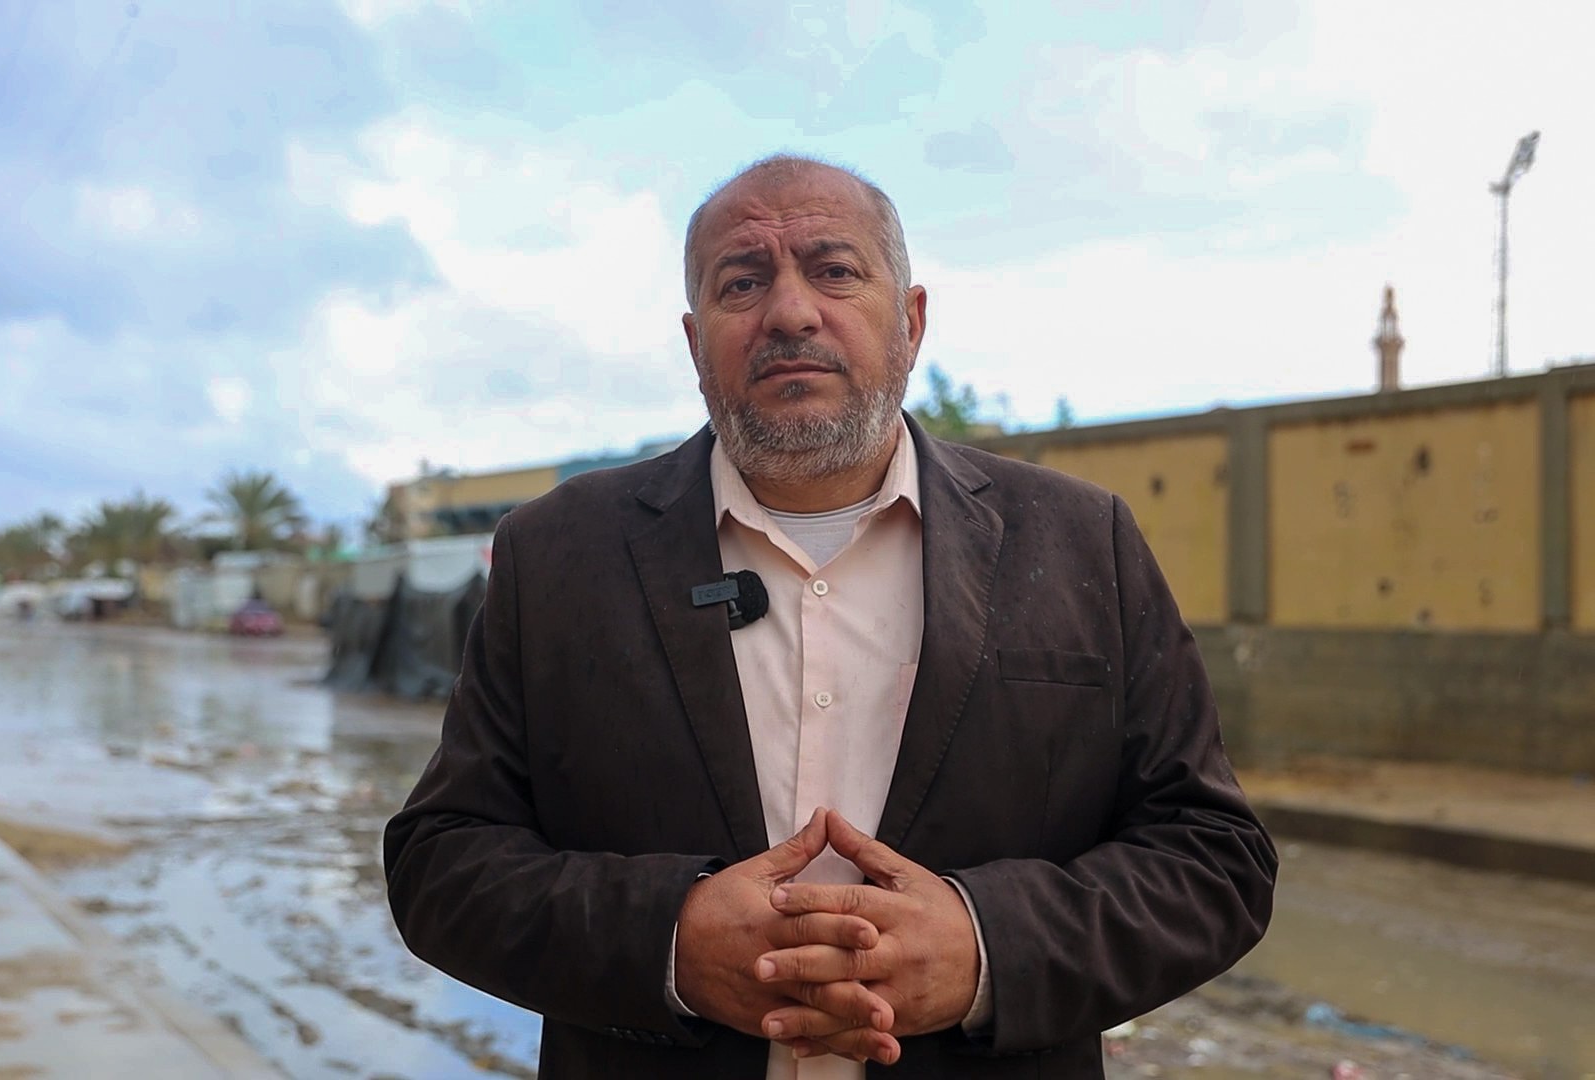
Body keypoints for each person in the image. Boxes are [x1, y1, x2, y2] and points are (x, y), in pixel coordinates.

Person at [384, 155, 1276, 1078]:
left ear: (912, 321)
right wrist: (670, 942)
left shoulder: (1083, 541)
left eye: (835, 270)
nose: (790, 312)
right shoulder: (559, 555)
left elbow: (1215, 859)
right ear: (695, 343)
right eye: (742, 282)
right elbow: (441, 863)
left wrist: (987, 949)